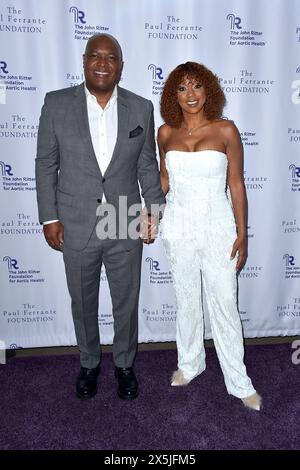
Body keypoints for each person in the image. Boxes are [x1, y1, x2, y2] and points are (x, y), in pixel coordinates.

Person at [35, 34, 165, 400]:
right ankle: (89, 363)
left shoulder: (141, 108)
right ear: (84, 60)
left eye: (111, 57)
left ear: (121, 66)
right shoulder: (57, 104)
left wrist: (153, 211)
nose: (103, 63)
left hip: (125, 218)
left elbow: (146, 164)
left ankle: (124, 364)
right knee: (82, 299)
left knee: (126, 299)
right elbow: (46, 163)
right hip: (75, 220)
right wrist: (49, 217)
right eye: (96, 55)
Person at [158, 62, 262, 411]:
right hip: (178, 226)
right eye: (183, 88)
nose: (191, 95)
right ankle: (190, 363)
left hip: (218, 227)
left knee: (224, 305)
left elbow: (236, 185)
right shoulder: (165, 134)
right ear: (174, 94)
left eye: (197, 86)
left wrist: (242, 233)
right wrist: (145, 213)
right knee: (186, 300)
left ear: (209, 92)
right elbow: (163, 183)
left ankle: (238, 380)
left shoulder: (226, 130)